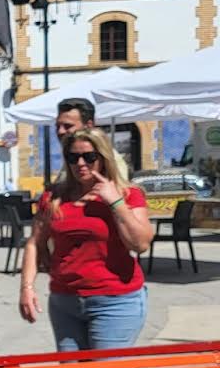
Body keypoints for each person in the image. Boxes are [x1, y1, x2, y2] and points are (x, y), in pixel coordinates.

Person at [19, 127, 151, 350]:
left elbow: (140, 244)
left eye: (89, 157)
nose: (80, 163)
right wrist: (27, 288)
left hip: (115, 301)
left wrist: (115, 202)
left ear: (103, 158)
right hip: (65, 301)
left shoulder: (128, 194)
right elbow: (34, 242)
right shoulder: (54, 197)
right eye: (73, 157)